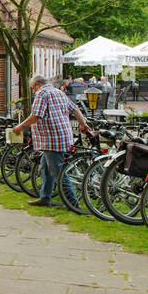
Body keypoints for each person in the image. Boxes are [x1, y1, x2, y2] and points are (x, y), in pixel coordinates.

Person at [13, 73, 93, 208]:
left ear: (38, 85)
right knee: (45, 168)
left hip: (51, 139)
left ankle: (72, 203)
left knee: (58, 172)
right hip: (62, 136)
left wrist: (20, 126)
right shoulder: (59, 92)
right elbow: (75, 109)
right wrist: (82, 123)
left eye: (33, 88)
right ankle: (45, 198)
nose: (33, 91)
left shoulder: (42, 94)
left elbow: (36, 115)